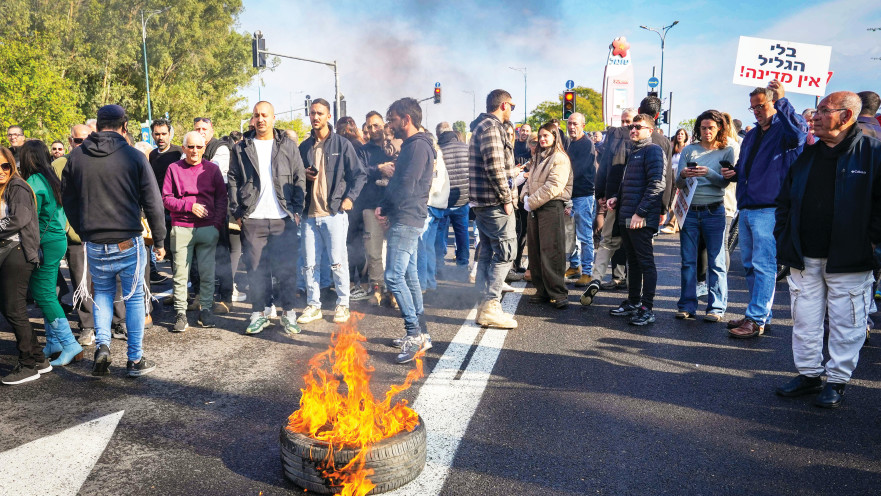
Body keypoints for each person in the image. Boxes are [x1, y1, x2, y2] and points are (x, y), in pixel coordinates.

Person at [774, 91, 879, 408]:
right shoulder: (807, 156)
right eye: (816, 111)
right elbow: (785, 201)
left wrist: (872, 245)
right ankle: (808, 376)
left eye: (823, 110)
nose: (815, 116)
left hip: (850, 259)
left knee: (848, 324)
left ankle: (836, 381)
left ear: (846, 116)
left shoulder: (873, 153)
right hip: (804, 257)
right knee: (804, 321)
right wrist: (784, 237)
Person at [62, 105, 167, 378]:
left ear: (97, 125)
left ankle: (103, 346)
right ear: (125, 126)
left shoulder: (77, 157)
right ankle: (134, 359)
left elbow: (68, 201)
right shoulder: (134, 156)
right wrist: (159, 239)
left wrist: (84, 230)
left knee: (102, 294)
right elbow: (153, 202)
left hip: (94, 240)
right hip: (127, 239)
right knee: (133, 298)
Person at [727, 80, 807, 338]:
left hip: (769, 209)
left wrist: (783, 100)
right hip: (748, 207)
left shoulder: (785, 129)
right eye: (753, 107)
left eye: (761, 105)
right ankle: (759, 313)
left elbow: (799, 134)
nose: (757, 111)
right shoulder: (751, 135)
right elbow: (746, 167)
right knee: (750, 265)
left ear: (774, 103)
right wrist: (734, 173)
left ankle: (757, 317)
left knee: (763, 265)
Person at [228, 101, 305, 336]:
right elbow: (232, 179)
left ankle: (288, 314)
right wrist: (238, 212)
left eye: (264, 115)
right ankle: (258, 313)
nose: (260, 119)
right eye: (256, 115)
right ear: (252, 119)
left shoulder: (288, 145)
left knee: (286, 269)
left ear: (273, 118)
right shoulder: (241, 148)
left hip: (283, 217)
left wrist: (297, 210)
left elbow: (299, 177)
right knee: (255, 270)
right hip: (253, 218)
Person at [297, 98, 366, 325]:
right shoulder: (304, 147)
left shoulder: (342, 144)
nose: (315, 117)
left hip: (334, 214)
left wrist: (350, 198)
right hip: (309, 215)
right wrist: (303, 176)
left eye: (320, 113)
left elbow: (360, 174)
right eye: (312, 113)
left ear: (328, 116)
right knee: (309, 264)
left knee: (337, 262)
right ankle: (313, 305)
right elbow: (295, 178)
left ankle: (343, 304)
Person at [377, 97, 436, 364]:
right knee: (410, 276)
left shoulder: (417, 147)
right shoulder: (414, 145)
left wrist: (386, 208)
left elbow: (406, 185)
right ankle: (422, 333)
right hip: (407, 217)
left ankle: (414, 334)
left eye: (393, 120)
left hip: (407, 218)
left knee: (393, 277)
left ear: (407, 119)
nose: (390, 125)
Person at [18, 141, 83, 367]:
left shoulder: (33, 182)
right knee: (46, 292)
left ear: (27, 158)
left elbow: (28, 216)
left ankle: (70, 345)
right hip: (56, 240)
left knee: (43, 293)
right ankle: (54, 343)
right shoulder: (51, 178)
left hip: (44, 242)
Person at [674, 110, 735, 322]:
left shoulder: (727, 151)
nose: (707, 131)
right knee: (688, 261)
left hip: (714, 210)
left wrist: (708, 173)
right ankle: (687, 306)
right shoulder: (689, 150)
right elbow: (678, 183)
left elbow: (725, 183)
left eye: (711, 128)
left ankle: (716, 307)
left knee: (716, 262)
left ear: (719, 128)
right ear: (698, 129)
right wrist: (683, 174)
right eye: (703, 128)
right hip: (690, 211)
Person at [162, 131, 227, 332]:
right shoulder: (174, 168)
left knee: (208, 273)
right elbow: (166, 199)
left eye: (199, 147)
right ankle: (180, 313)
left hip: (207, 228)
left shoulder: (212, 169)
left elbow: (222, 198)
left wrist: (216, 225)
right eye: (190, 146)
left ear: (204, 148)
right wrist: (189, 206)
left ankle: (205, 309)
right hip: (181, 227)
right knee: (180, 274)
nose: (195, 151)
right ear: (183, 148)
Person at [606, 114, 665, 326]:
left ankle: (647, 308)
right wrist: (617, 198)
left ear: (650, 130)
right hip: (627, 216)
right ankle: (633, 302)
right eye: (632, 126)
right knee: (633, 262)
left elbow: (657, 185)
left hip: (640, 218)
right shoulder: (635, 151)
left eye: (638, 127)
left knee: (645, 263)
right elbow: (629, 184)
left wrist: (641, 213)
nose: (633, 130)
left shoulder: (653, 150)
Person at [0, 146, 53, 385]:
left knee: (14, 309)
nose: (1, 171)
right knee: (9, 308)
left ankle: (28, 364)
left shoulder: (18, 187)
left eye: (5, 166)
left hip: (19, 252)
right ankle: (39, 358)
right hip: (7, 252)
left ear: (12, 165)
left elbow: (19, 219)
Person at [469, 89, 519, 329]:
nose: (512, 111)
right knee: (506, 252)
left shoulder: (484, 126)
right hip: (494, 203)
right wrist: (506, 198)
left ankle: (484, 305)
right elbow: (495, 167)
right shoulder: (491, 127)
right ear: (504, 105)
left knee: (489, 252)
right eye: (512, 106)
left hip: (485, 203)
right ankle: (491, 305)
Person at [581, 109, 635, 305]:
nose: (626, 125)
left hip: (617, 200)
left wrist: (602, 194)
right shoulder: (634, 142)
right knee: (627, 245)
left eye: (629, 121)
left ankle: (597, 277)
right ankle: (632, 290)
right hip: (625, 202)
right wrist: (601, 195)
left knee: (608, 242)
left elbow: (603, 169)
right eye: (624, 121)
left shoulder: (614, 138)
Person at [522, 122, 573, 308]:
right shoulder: (538, 157)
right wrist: (524, 196)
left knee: (552, 251)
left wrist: (531, 201)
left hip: (551, 206)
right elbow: (528, 181)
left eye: (546, 136)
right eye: (540, 136)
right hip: (535, 208)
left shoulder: (560, 158)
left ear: (555, 137)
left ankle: (558, 293)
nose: (542, 139)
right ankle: (542, 290)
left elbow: (554, 186)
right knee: (535, 251)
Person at [359, 110, 396, 305]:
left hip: (395, 207)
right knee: (373, 252)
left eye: (376, 125)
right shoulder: (363, 151)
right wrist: (379, 169)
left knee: (395, 250)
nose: (373, 129)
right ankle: (377, 288)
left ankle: (394, 289)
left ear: (384, 125)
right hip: (370, 206)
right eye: (369, 126)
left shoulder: (395, 146)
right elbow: (358, 172)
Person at [564, 112, 597, 287]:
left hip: (583, 195)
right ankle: (574, 266)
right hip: (570, 195)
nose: (571, 127)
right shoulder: (570, 143)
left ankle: (587, 272)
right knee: (570, 234)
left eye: (575, 123)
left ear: (583, 126)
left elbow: (578, 170)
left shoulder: (587, 144)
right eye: (569, 123)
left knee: (584, 236)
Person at [434, 123, 471, 277]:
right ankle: (463, 264)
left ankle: (439, 265)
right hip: (462, 198)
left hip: (443, 200)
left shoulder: (439, 150)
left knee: (439, 232)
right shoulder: (465, 148)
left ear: (438, 134)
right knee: (462, 232)